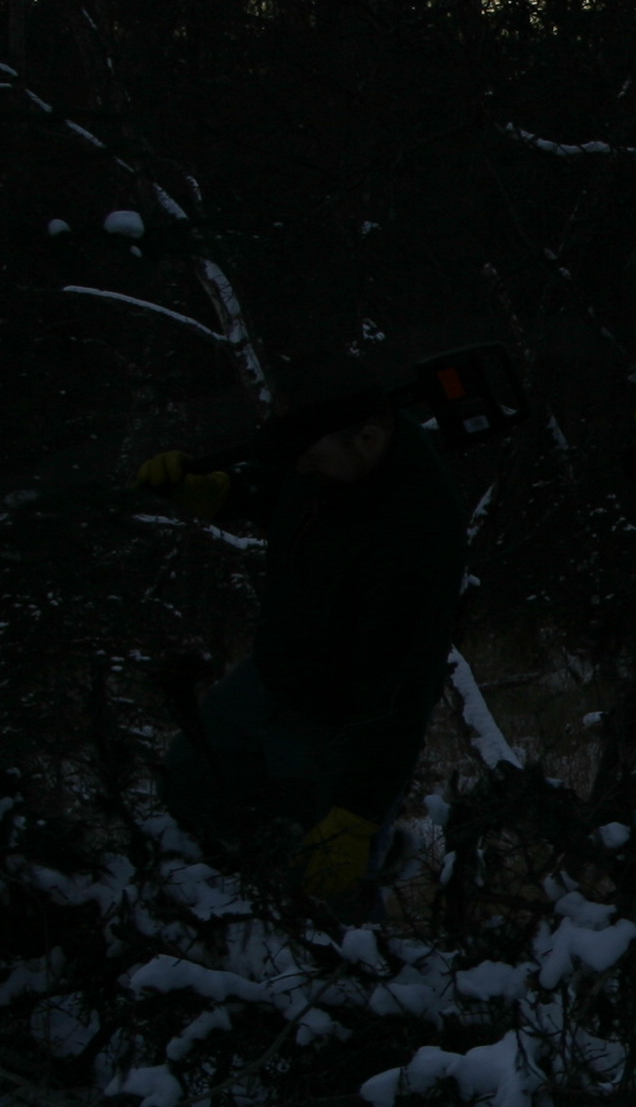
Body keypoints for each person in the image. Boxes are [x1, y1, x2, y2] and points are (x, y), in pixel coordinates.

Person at [136, 364, 467, 899]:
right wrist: (221, 490)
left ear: (367, 439)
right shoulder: (333, 458)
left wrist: (357, 812)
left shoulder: (415, 533)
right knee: (190, 781)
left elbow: (400, 688)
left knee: (326, 881)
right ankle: (239, 901)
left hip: (337, 721)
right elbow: (285, 489)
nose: (302, 468)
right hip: (271, 676)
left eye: (312, 458)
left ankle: (339, 932)